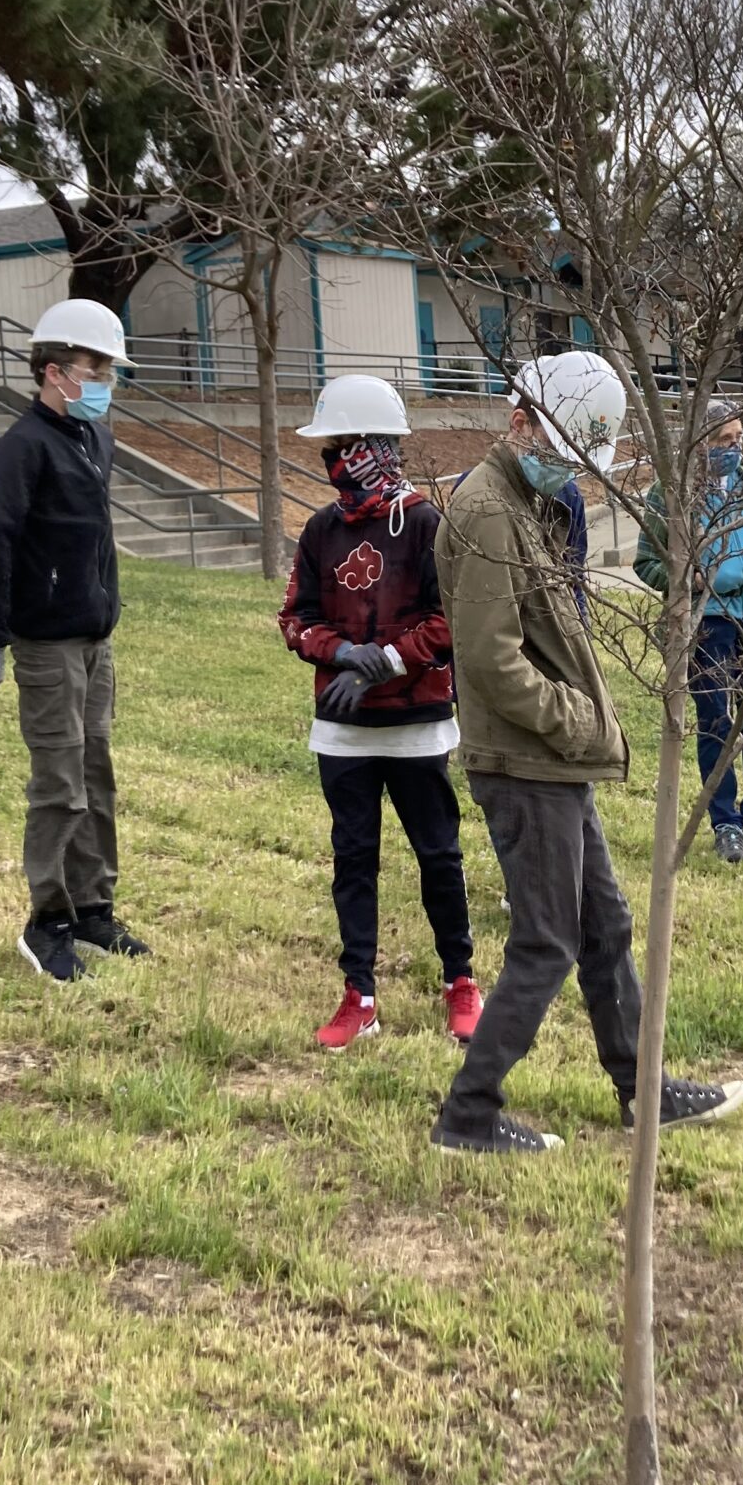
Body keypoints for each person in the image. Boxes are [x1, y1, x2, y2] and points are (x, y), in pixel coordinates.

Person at [430, 352, 743, 1154]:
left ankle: (644, 1093)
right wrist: (579, 721)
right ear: (519, 420)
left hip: (553, 761)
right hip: (525, 761)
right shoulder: (490, 511)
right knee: (548, 941)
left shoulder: (528, 502)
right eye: (562, 449)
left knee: (604, 928)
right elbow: (492, 662)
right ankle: (467, 1116)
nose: (570, 470)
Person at [279, 374, 479, 1049]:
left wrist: (386, 663)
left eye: (338, 445)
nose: (332, 459)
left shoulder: (426, 525)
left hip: (417, 726)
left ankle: (461, 979)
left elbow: (449, 619)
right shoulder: (319, 531)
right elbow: (295, 618)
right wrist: (343, 656)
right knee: (353, 858)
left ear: (369, 447)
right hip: (342, 732)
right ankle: (358, 992)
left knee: (438, 855)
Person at [0, 299, 153, 982]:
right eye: (97, 367)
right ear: (54, 372)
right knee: (60, 785)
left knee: (96, 777)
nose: (107, 381)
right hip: (46, 645)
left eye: (111, 370)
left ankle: (93, 909)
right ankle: (46, 922)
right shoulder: (22, 448)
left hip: (95, 640)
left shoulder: (92, 437)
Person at [634, 399, 743, 866]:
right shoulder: (669, 496)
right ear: (699, 444)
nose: (734, 450)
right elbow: (646, 562)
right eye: (723, 441)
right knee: (715, 722)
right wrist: (689, 580)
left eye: (738, 439)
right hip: (709, 623)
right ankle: (725, 822)